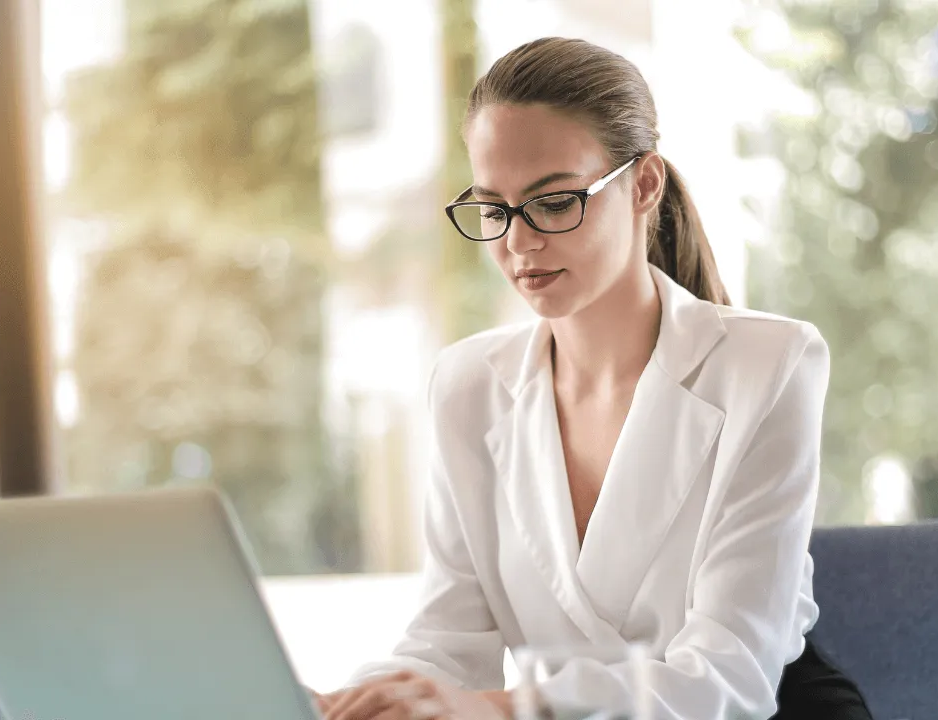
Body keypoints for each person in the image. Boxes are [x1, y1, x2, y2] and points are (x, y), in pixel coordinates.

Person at [315, 37, 873, 720]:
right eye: (494, 210)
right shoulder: (467, 386)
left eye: (553, 203)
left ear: (643, 185)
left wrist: (498, 709)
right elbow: (446, 642)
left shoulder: (771, 365)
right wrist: (353, 702)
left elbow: (727, 679)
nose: (518, 243)